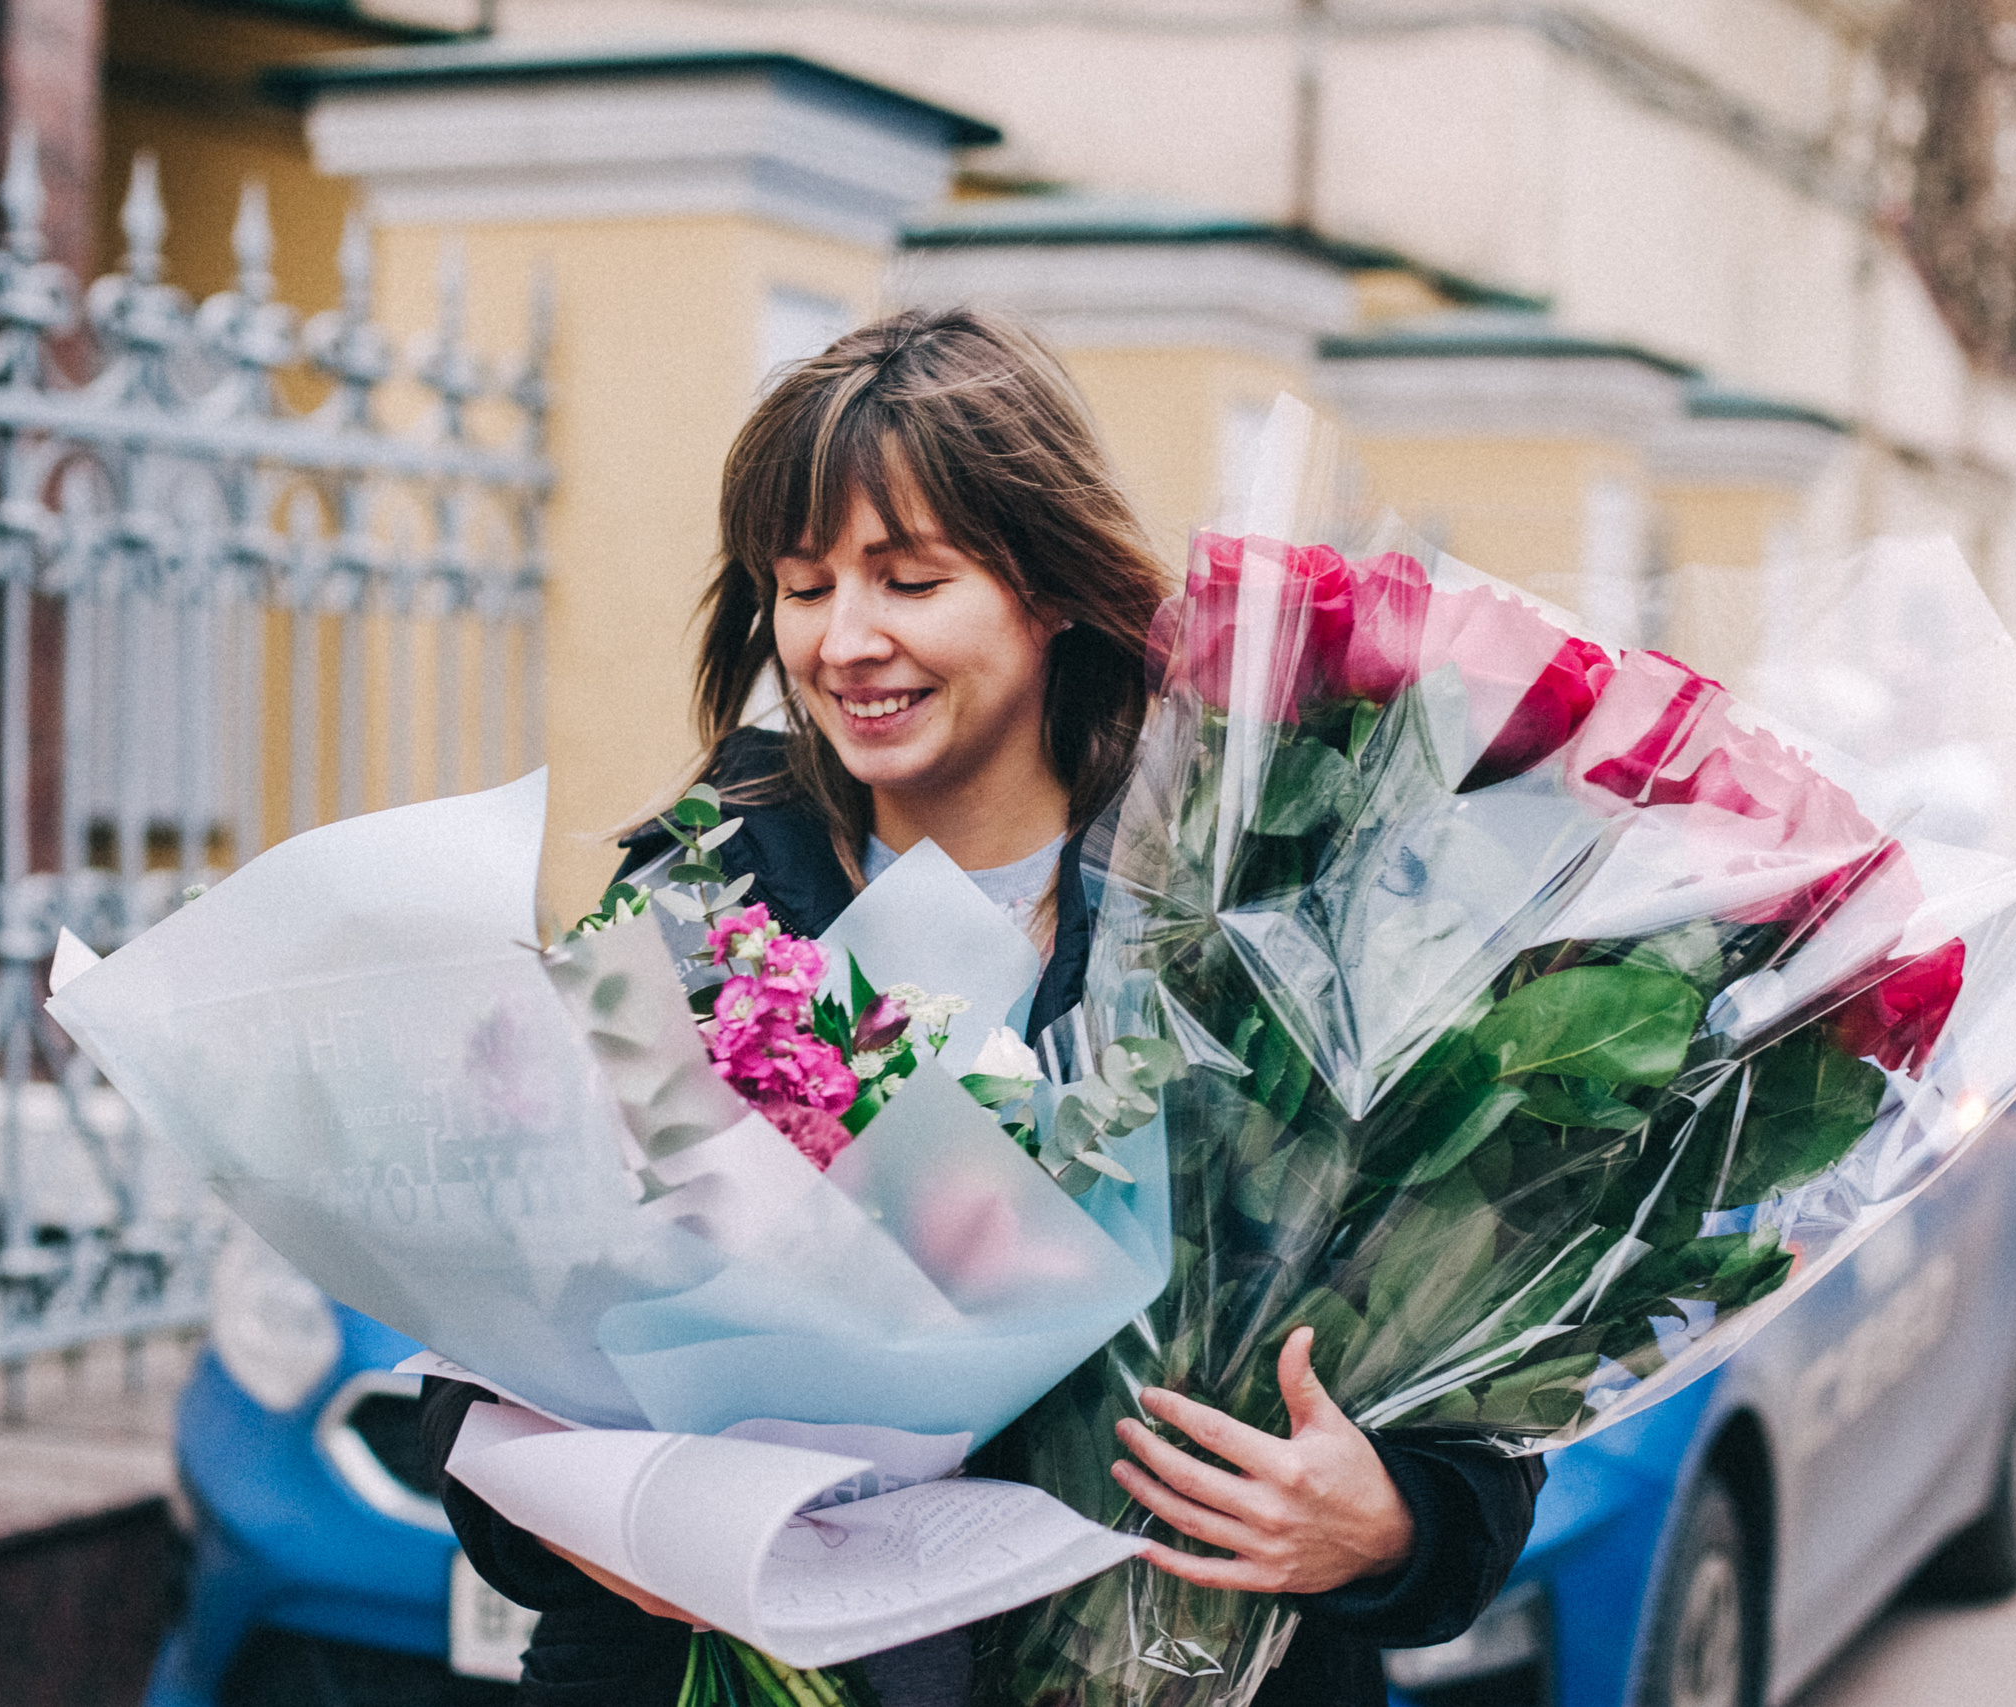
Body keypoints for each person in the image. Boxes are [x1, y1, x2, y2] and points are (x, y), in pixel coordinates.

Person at [418, 307, 1543, 1707]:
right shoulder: (698, 901)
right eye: (807, 584)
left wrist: (1383, 1525)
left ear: (1048, 585)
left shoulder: (1254, 906)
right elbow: (483, 1367)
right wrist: (588, 1534)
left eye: (909, 579)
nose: (847, 641)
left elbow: (1479, 1390)